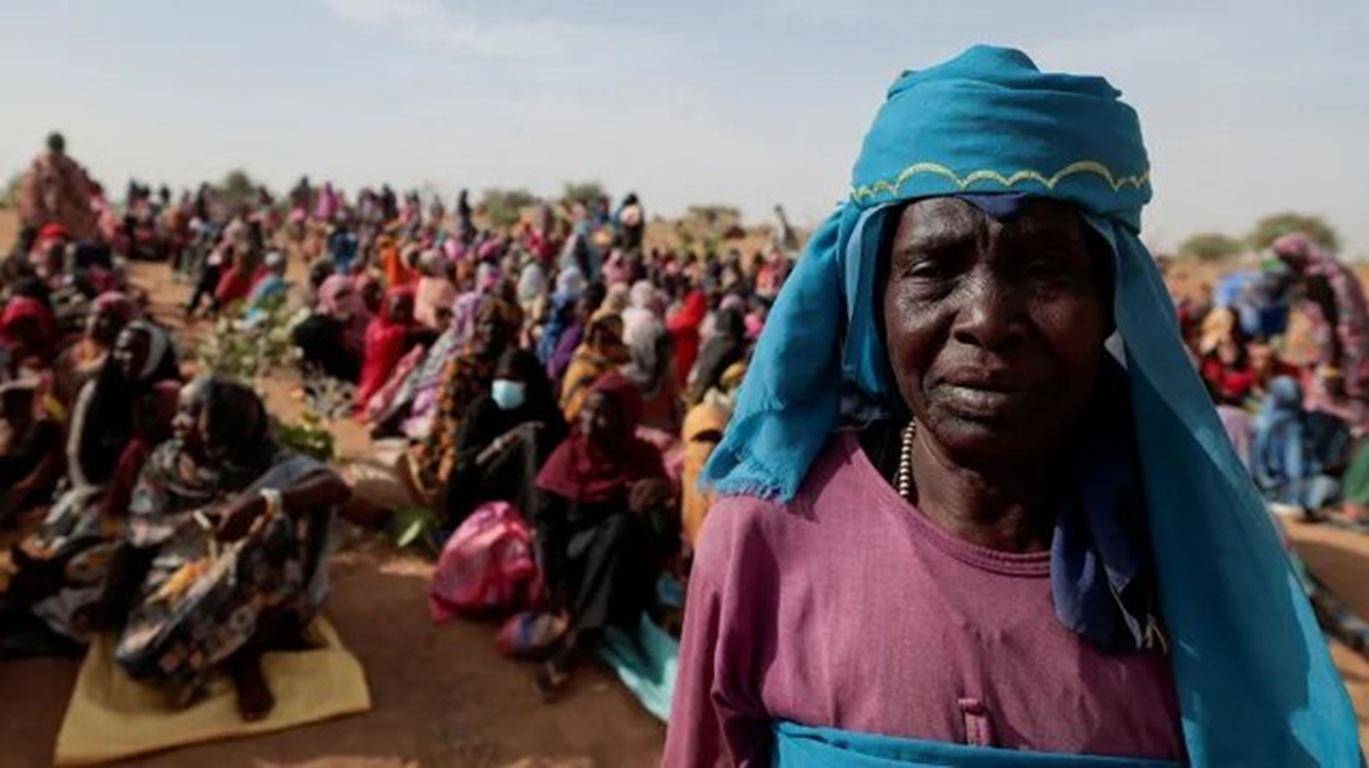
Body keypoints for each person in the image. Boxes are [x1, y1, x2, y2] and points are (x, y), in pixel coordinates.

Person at [665, 46, 1359, 765]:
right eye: (933, 268)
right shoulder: (762, 542)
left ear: (1112, 308)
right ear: (875, 299)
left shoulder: (1189, 569)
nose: (987, 319)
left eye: (1045, 270)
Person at [78, 378, 349, 721]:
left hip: (260, 585)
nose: (176, 422)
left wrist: (261, 504)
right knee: (143, 657)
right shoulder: (167, 464)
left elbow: (335, 486)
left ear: (218, 427)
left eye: (189, 415)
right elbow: (139, 535)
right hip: (184, 566)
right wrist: (111, 602)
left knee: (272, 531)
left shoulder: (269, 463)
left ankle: (246, 658)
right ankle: (223, 641)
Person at [532, 372, 673, 697]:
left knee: (632, 522)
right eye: (587, 411)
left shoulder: (642, 458)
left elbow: (663, 539)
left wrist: (660, 498)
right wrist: (559, 594)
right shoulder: (569, 456)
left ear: (625, 419)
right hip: (577, 567)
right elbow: (547, 529)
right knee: (617, 529)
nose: (591, 422)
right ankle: (582, 637)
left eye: (603, 414)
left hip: (625, 572)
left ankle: (603, 624)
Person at [439, 348, 567, 528]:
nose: (505, 385)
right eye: (501, 379)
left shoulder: (545, 411)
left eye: (513, 380)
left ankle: (539, 523)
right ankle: (538, 524)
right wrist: (507, 441)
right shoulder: (482, 409)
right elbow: (465, 464)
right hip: (485, 481)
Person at [411, 296, 522, 497]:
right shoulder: (462, 366)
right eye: (487, 324)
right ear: (477, 327)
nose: (492, 331)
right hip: (461, 437)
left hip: (500, 436)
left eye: (499, 326)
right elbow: (451, 418)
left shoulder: (512, 364)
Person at [1273, 232, 1369, 397]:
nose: (1287, 265)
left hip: (1344, 349)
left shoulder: (1319, 277)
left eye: (1288, 259)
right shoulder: (1328, 268)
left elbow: (1333, 322)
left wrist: (1332, 368)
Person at [0, 380, 64, 527]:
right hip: (14, 466)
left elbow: (48, 461)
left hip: (19, 470)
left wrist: (28, 483)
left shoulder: (46, 426)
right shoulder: (20, 428)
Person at [17, 132, 99, 241]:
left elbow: (27, 202)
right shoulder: (72, 168)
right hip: (62, 228)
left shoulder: (35, 169)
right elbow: (82, 198)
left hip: (46, 228)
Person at [291, 275, 369, 381]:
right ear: (326, 297)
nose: (345, 301)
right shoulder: (316, 329)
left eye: (347, 294)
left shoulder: (365, 318)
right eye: (338, 296)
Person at [559, 312, 629, 422]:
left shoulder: (601, 360)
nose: (620, 345)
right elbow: (578, 412)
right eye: (614, 340)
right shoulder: (586, 369)